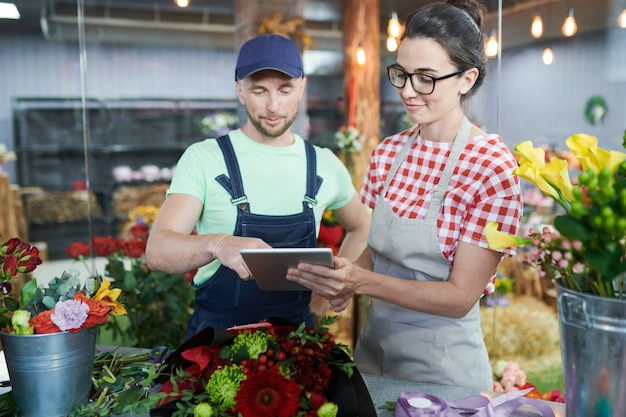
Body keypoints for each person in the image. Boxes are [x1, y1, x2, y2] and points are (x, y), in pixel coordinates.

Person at [286, 0, 523, 391]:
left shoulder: (493, 167)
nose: (409, 91)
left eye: (426, 78)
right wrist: (337, 281)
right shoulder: (389, 152)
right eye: (402, 74)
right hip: (373, 351)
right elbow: (371, 247)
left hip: (446, 372)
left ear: (466, 79)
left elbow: (460, 296)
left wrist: (360, 281)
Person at [145, 34, 370, 339]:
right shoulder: (204, 158)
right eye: (259, 91)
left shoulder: (324, 164)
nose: (273, 106)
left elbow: (363, 225)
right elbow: (157, 251)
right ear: (240, 90)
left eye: (285, 89)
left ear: (302, 87)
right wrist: (217, 244)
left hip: (299, 341)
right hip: (217, 341)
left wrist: (326, 294)